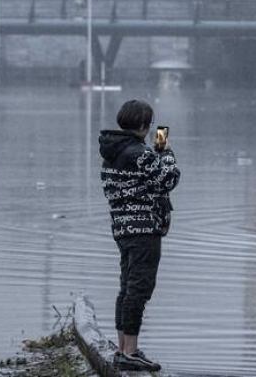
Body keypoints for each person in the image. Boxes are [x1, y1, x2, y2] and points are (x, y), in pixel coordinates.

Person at [98, 100, 180, 372]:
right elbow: (168, 179)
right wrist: (165, 152)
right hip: (144, 229)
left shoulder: (111, 151)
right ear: (144, 125)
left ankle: (123, 347)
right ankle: (130, 352)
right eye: (150, 124)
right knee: (139, 289)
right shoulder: (139, 152)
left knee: (127, 287)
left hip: (123, 229)